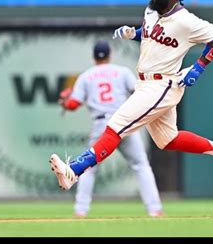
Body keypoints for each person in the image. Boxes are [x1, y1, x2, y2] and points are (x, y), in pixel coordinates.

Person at [49, 0, 213, 200]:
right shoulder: (151, 11)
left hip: (162, 85)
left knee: (116, 126)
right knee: (167, 140)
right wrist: (134, 34)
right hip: (145, 82)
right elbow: (151, 35)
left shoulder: (186, 21)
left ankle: (75, 171)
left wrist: (199, 67)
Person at [58, 40, 163, 218]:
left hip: (102, 125)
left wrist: (65, 102)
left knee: (89, 168)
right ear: (109, 54)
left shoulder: (86, 76)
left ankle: (80, 211)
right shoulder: (122, 72)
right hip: (124, 122)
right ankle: (154, 209)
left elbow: (74, 104)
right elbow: (139, 92)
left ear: (93, 56)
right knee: (141, 166)